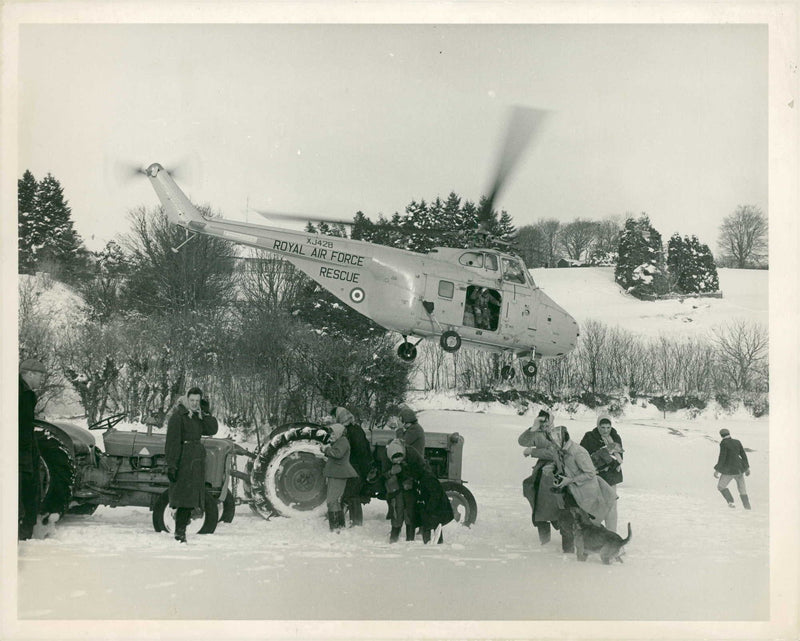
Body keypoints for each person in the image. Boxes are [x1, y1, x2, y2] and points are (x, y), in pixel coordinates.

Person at [165, 387, 219, 543]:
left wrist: (206, 413)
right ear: (186, 399)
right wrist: (172, 465)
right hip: (184, 461)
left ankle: (181, 533)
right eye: (192, 400)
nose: (195, 403)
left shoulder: (197, 416)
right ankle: (179, 533)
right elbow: (172, 443)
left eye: (197, 401)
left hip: (195, 462)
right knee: (184, 499)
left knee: (192, 498)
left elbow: (212, 429)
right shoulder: (178, 417)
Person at [519, 409, 573, 551]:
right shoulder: (538, 434)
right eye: (542, 421)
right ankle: (545, 542)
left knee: (559, 507)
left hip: (557, 473)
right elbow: (522, 441)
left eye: (547, 421)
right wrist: (534, 427)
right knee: (539, 508)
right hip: (541, 474)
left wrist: (533, 452)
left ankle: (567, 541)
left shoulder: (559, 432)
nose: (545, 425)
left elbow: (556, 452)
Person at [550, 423, 618, 529]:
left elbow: (590, 473)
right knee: (570, 522)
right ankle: (572, 543)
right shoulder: (560, 450)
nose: (553, 444)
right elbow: (563, 466)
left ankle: (606, 541)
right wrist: (553, 469)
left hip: (586, 492)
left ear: (561, 439)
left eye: (554, 441)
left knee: (588, 524)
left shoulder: (578, 452)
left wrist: (570, 480)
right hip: (572, 491)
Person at [580, 414, 624, 532]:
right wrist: (601, 455)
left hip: (611, 477)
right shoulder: (589, 437)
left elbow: (620, 457)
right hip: (594, 476)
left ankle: (611, 534)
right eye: (602, 427)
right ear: (597, 425)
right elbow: (582, 456)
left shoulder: (615, 437)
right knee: (594, 505)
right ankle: (593, 534)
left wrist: (609, 459)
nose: (605, 430)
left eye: (608, 427)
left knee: (611, 506)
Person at [19, 359, 46, 541]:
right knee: (24, 487)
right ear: (29, 374)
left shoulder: (27, 393)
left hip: (26, 445)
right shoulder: (21, 393)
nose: (41, 380)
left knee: (31, 485)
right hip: (21, 448)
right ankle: (21, 532)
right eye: (39, 376)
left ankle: (26, 530)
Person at [335, 407, 372, 526]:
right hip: (352, 468)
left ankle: (356, 524)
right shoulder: (350, 430)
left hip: (356, 469)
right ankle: (350, 522)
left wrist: (364, 472)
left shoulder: (354, 431)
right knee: (349, 495)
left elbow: (362, 452)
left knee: (352, 495)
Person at [321, 422, 358, 531]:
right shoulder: (340, 441)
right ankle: (339, 526)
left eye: (333, 434)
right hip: (336, 473)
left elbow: (338, 454)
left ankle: (335, 528)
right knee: (334, 501)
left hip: (339, 474)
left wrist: (326, 450)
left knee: (331, 501)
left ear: (339, 433)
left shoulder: (343, 441)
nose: (331, 436)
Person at [714, 428, 751, 509]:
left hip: (729, 470)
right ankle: (747, 507)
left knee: (721, 486)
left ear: (721, 435)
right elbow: (743, 455)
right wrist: (747, 468)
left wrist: (717, 470)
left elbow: (722, 457)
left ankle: (731, 502)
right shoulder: (737, 441)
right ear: (729, 433)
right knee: (742, 489)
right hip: (740, 469)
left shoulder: (724, 443)